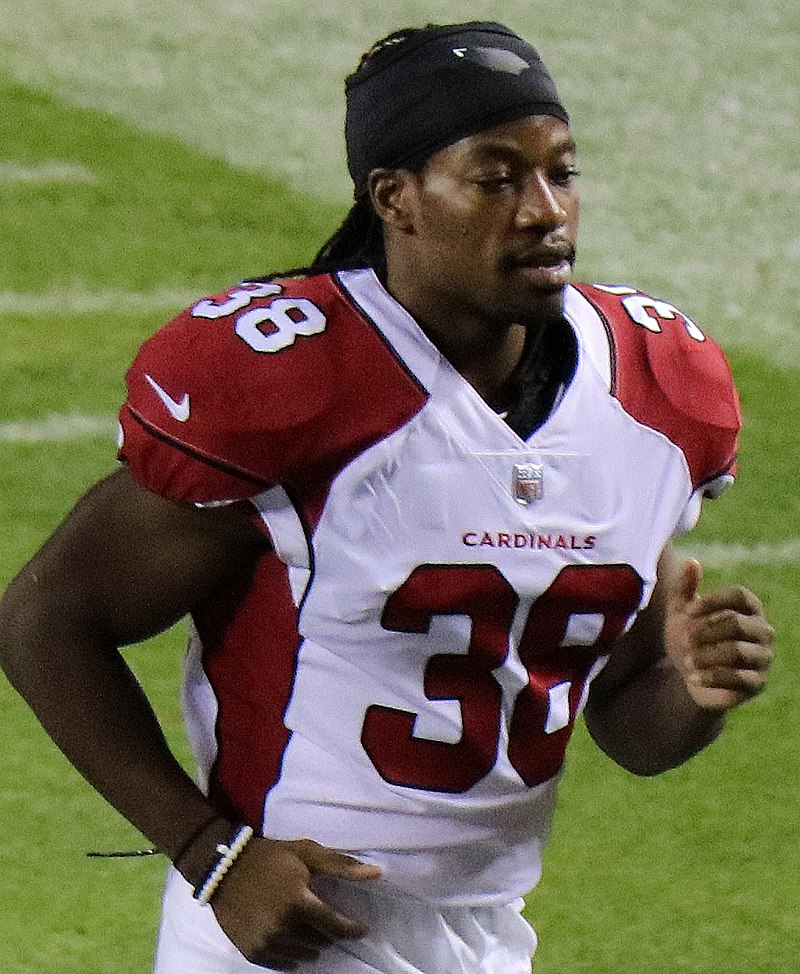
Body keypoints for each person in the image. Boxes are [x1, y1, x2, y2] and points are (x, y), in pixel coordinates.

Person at [0, 20, 775, 974]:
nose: (545, 211)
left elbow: (626, 714)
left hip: (489, 937)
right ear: (396, 198)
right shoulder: (299, 387)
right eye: (496, 178)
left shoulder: (654, 390)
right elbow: (46, 616)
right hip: (282, 927)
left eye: (561, 173)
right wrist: (210, 854)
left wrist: (694, 691)